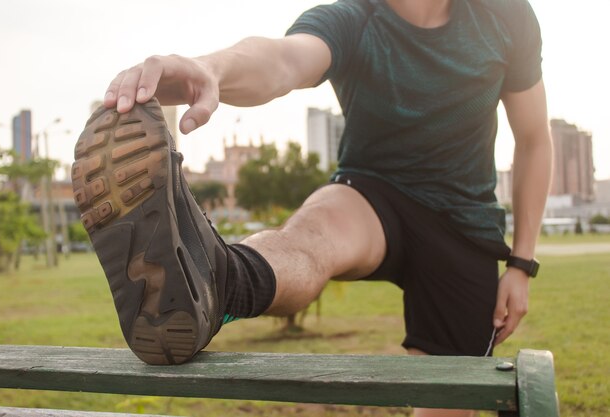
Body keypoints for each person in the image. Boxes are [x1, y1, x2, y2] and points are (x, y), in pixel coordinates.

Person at [72, 0, 552, 415]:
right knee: (306, 243)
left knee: (446, 407)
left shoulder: (505, 15)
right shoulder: (353, 18)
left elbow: (533, 138)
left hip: (464, 226)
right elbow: (282, 61)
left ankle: (216, 279)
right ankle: (216, 280)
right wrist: (210, 68)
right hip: (371, 195)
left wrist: (521, 263)